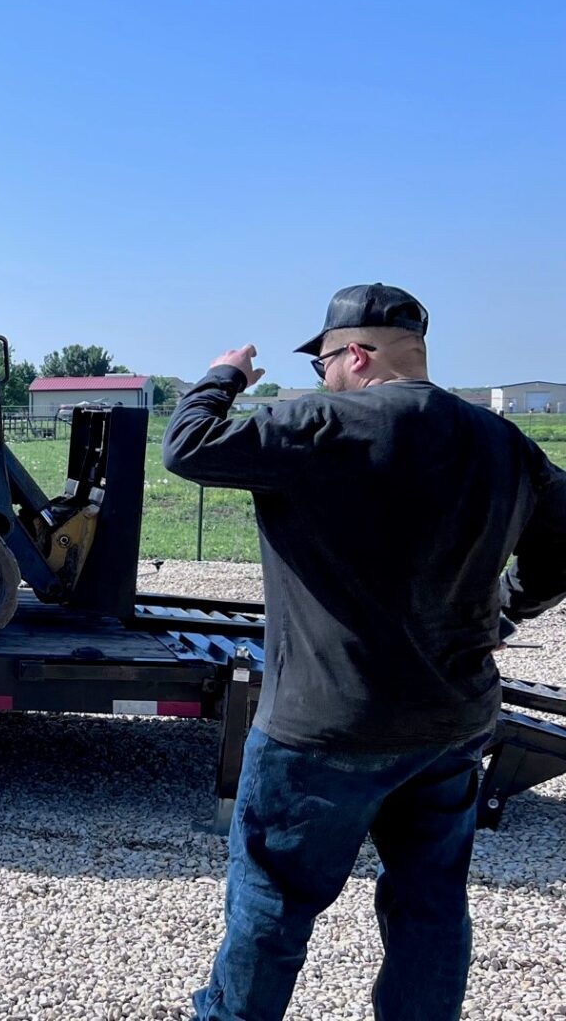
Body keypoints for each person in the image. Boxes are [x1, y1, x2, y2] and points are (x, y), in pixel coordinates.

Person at [161, 283, 566, 1020]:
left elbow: (185, 447)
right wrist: (503, 616)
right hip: (449, 723)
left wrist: (223, 375)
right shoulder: (499, 441)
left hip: (319, 730)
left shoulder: (315, 425)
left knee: (272, 907)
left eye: (322, 363)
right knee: (430, 910)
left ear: (355, 353)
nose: (321, 377)